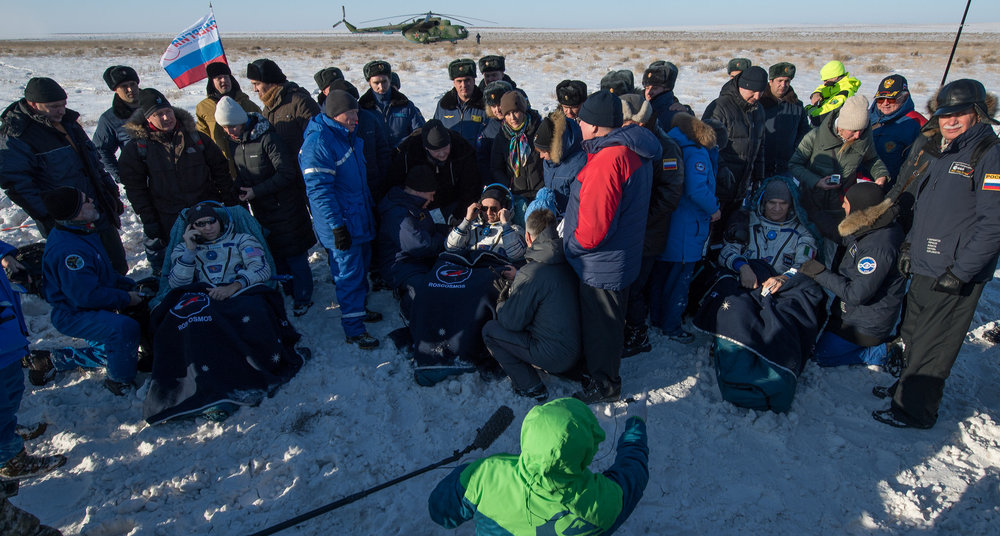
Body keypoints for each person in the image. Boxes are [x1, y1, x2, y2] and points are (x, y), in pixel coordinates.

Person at [873, 79, 1000, 429]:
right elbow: (927, 207)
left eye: (960, 114)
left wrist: (961, 271)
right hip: (928, 261)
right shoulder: (946, 150)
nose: (951, 121)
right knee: (913, 331)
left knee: (934, 343)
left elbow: (994, 225)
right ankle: (904, 390)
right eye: (945, 115)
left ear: (978, 113)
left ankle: (915, 411)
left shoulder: (988, 153)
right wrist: (912, 244)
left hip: (957, 269)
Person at [429, 397, 648, 535]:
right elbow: (633, 470)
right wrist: (636, 423)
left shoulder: (486, 473)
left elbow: (441, 513)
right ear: (587, 450)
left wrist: (466, 469)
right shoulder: (603, 502)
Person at [563, 91, 659, 403]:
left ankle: (604, 385)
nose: (578, 123)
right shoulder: (633, 147)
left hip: (601, 264)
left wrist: (571, 245)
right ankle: (602, 370)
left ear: (593, 125)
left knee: (602, 327)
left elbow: (593, 232)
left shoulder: (610, 159)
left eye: (581, 119)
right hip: (621, 256)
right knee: (610, 323)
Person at [0, 77, 127, 274]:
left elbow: (93, 162)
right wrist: (50, 215)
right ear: (33, 104)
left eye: (63, 104)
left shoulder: (68, 123)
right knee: (84, 271)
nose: (61, 110)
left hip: (96, 207)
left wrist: (109, 192)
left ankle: (124, 299)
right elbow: (17, 185)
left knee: (116, 263)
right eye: (54, 106)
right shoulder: (17, 135)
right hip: (65, 218)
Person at [213, 97, 316, 316]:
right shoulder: (237, 143)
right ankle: (289, 289)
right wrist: (239, 188)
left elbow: (287, 172)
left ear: (242, 121)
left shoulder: (268, 139)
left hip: (286, 208)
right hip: (262, 210)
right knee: (275, 252)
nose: (229, 131)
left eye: (232, 125)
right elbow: (244, 173)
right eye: (225, 127)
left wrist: (256, 191)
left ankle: (304, 296)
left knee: (295, 255)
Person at [118, 88, 237, 275]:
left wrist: (230, 201)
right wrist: (149, 220)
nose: (166, 118)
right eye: (159, 114)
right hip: (169, 217)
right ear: (148, 119)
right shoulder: (137, 149)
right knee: (182, 265)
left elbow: (220, 170)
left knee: (216, 262)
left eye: (168, 111)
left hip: (205, 211)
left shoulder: (195, 138)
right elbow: (135, 188)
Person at [39, 187, 143, 396]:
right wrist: (126, 298)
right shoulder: (69, 251)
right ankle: (118, 381)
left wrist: (128, 286)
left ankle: (53, 360)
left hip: (87, 305)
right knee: (123, 329)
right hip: (73, 313)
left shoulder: (81, 231)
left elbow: (103, 275)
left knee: (119, 350)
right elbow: (86, 296)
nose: (92, 201)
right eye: (86, 201)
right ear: (76, 211)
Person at [299, 90, 381, 349]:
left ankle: (359, 310)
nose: (357, 117)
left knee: (360, 269)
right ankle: (354, 329)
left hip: (358, 217)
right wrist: (336, 227)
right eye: (352, 113)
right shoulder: (320, 141)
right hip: (343, 224)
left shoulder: (346, 135)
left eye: (357, 111)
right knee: (348, 275)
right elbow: (320, 192)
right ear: (336, 114)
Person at [797, 182, 905, 369]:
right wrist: (812, 209)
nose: (842, 206)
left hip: (867, 324)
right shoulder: (874, 225)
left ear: (859, 208)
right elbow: (838, 233)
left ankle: (881, 352)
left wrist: (819, 273)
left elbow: (857, 295)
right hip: (851, 314)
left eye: (846, 202)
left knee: (820, 357)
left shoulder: (878, 247)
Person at [481, 209, 580, 401]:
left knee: (490, 330)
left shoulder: (532, 272)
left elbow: (511, 322)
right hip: (578, 349)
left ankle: (529, 385)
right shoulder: (568, 259)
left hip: (556, 356)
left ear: (527, 236)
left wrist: (502, 302)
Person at [620, 93, 684, 354]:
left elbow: (670, 194)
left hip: (648, 233)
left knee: (635, 287)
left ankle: (638, 335)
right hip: (630, 231)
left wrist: (639, 220)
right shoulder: (630, 141)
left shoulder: (665, 148)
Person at [649, 112, 720, 344]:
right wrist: (714, 209)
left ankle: (658, 318)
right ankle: (671, 325)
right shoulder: (696, 152)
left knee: (662, 276)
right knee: (679, 280)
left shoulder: (671, 144)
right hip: (687, 228)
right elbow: (696, 189)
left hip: (669, 225)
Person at [0, 239, 67, 481]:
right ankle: (10, 460)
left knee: (12, 387)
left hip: (6, 330)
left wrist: (5, 256)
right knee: (1, 398)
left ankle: (7, 430)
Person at [788, 95, 889, 245]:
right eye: (853, 131)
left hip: (843, 207)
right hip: (812, 204)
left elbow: (872, 159)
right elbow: (794, 164)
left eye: (861, 130)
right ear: (841, 126)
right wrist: (817, 182)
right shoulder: (814, 136)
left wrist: (881, 175)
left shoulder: (863, 139)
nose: (858, 135)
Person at [718, 177, 818, 292]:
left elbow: (805, 264)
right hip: (746, 284)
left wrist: (784, 278)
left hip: (782, 289)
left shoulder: (802, 232)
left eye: (783, 203)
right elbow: (726, 252)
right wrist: (742, 267)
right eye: (772, 202)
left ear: (790, 205)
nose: (777, 208)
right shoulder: (746, 221)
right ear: (763, 202)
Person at [375, 165, 448, 318]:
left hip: (420, 260)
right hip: (401, 264)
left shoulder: (414, 204)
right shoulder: (399, 213)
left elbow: (428, 230)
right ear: (419, 191)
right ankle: (408, 308)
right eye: (431, 194)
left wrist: (450, 230)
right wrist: (447, 239)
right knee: (424, 293)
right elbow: (420, 245)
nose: (432, 199)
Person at [702, 66, 767, 220]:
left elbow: (760, 145)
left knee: (731, 230)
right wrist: (722, 170)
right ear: (742, 85)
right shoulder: (720, 107)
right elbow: (706, 143)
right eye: (753, 91)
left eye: (761, 92)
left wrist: (759, 175)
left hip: (741, 186)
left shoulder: (758, 110)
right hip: (718, 185)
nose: (757, 96)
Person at [167, 203, 271, 299]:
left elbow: (262, 269)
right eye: (200, 224)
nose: (208, 227)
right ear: (190, 228)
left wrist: (235, 286)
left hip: (240, 293)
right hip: (202, 299)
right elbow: (177, 285)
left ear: (220, 221)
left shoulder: (243, 240)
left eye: (212, 221)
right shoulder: (182, 249)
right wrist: (189, 252)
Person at [386, 119, 481, 222]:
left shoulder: (462, 148)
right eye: (436, 150)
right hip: (421, 206)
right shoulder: (410, 151)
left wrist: (458, 215)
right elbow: (395, 183)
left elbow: (471, 186)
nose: (442, 154)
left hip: (453, 201)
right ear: (426, 148)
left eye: (445, 148)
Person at [195, 61, 261, 178]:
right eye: (219, 78)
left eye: (226, 77)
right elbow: (201, 138)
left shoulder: (248, 105)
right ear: (211, 82)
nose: (224, 81)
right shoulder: (203, 108)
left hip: (249, 166)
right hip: (220, 167)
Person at [246, 58, 320, 157]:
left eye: (257, 84)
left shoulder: (300, 102)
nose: (255, 89)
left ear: (270, 81)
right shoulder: (268, 107)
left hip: (301, 168)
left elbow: (317, 140)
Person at [868, 74, 928, 185]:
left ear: (904, 97)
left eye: (891, 99)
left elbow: (919, 166)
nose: (885, 103)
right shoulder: (866, 117)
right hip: (861, 185)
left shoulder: (917, 123)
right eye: (880, 99)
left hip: (891, 189)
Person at [490, 91, 544, 205]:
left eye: (516, 112)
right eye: (508, 114)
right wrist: (508, 185)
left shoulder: (539, 130)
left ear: (523, 110)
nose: (513, 118)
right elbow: (496, 168)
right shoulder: (501, 138)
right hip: (517, 194)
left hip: (541, 192)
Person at [446, 185, 526, 261]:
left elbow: (516, 254)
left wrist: (505, 224)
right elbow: (451, 247)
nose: (488, 212)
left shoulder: (515, 230)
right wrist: (466, 221)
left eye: (493, 209)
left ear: (505, 208)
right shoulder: (471, 227)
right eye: (484, 208)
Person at [358, 60, 425, 147]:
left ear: (390, 80)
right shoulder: (362, 107)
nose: (381, 87)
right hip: (373, 158)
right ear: (369, 83)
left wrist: (402, 146)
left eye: (384, 81)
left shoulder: (405, 105)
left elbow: (419, 131)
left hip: (401, 157)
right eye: (376, 83)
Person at [760, 62, 810, 177]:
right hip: (761, 166)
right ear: (771, 81)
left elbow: (804, 131)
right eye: (780, 81)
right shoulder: (759, 103)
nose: (783, 85)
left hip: (786, 167)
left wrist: (795, 151)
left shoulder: (797, 106)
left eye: (787, 81)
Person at [533, 106, 586, 214]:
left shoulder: (578, 165)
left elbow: (580, 204)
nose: (541, 156)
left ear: (555, 149)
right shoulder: (549, 161)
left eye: (544, 151)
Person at [93, 65, 140, 183]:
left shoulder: (156, 105)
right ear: (115, 89)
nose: (130, 89)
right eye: (124, 86)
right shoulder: (109, 119)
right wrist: (121, 176)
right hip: (142, 179)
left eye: (133, 84)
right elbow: (102, 150)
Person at [433, 59, 487, 144]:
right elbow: (435, 132)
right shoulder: (444, 105)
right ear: (454, 82)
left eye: (467, 80)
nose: (464, 85)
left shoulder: (485, 105)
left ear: (474, 80)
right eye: (459, 81)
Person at [476, 80, 514, 181]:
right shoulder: (487, 128)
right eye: (493, 106)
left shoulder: (523, 122)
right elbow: (483, 161)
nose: (497, 110)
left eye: (499, 104)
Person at [643, 61, 693, 135]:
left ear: (666, 89)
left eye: (655, 88)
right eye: (647, 88)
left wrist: (688, 112)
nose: (649, 92)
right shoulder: (638, 106)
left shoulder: (675, 112)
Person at [806, 60, 861, 126]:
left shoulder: (843, 95)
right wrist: (816, 93)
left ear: (835, 77)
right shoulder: (835, 87)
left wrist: (808, 109)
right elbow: (822, 87)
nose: (824, 83)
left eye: (826, 80)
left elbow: (819, 117)